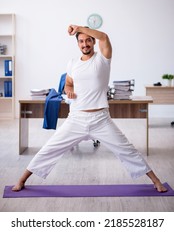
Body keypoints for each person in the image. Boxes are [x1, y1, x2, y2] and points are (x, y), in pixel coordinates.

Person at [12, 25, 167, 192]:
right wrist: (69, 89)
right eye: (81, 41)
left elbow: (105, 37)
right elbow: (68, 83)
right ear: (77, 44)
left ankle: (156, 181)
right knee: (50, 149)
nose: (84, 44)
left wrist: (79, 27)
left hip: (100, 119)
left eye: (87, 40)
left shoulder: (103, 59)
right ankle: (22, 180)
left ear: (93, 41)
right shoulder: (72, 63)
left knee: (127, 150)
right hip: (76, 119)